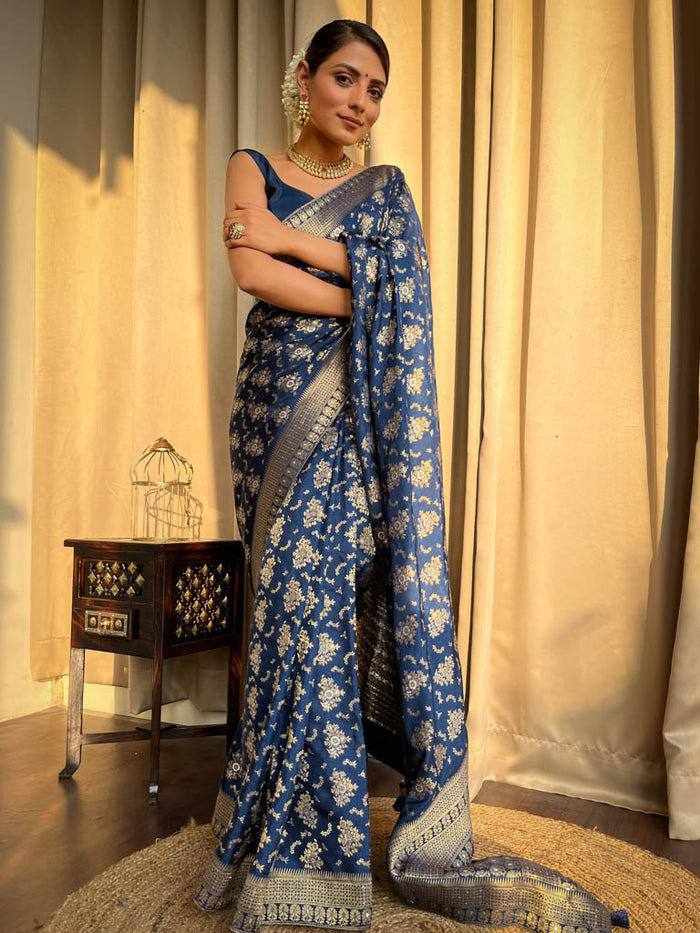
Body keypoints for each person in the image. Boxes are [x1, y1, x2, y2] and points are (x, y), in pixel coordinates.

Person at [192, 18, 630, 933]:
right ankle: (277, 828)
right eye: (345, 78)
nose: (360, 101)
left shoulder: (383, 194)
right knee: (284, 613)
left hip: (352, 430)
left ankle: (318, 853)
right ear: (304, 77)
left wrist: (290, 242)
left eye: (375, 90)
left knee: (322, 612)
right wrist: (359, 285)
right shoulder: (252, 165)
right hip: (273, 418)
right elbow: (250, 272)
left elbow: (387, 286)